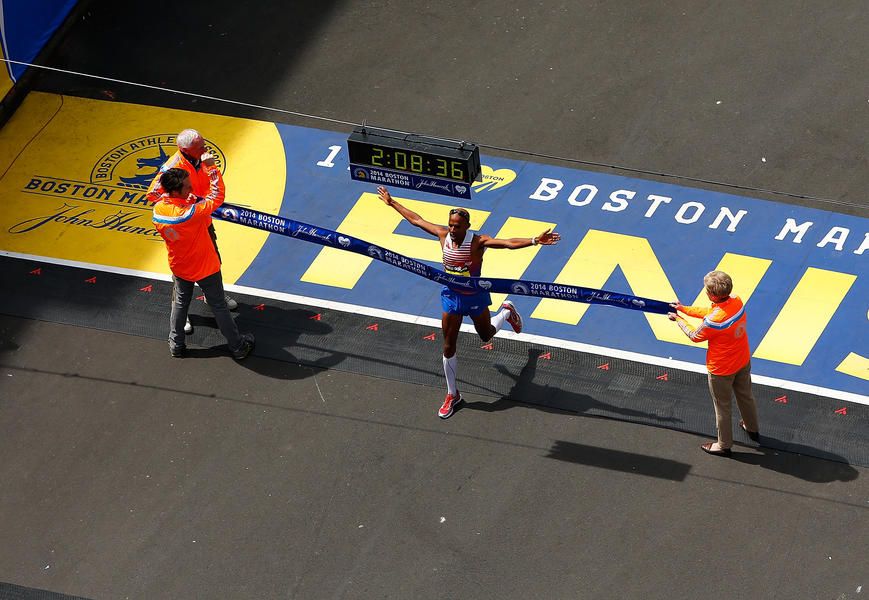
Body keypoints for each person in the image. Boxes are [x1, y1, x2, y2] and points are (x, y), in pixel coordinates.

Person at [377, 186, 561, 419]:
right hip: (452, 297)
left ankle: (506, 311)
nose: (453, 229)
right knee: (448, 345)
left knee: (485, 335)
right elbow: (416, 220)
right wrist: (392, 202)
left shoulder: (478, 242)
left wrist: (535, 240)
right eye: (451, 225)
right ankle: (453, 394)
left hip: (474, 296)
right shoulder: (443, 234)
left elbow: (507, 243)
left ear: (467, 227)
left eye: (457, 226)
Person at [152, 166, 254, 360]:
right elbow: (217, 197)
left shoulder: (158, 210)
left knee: (180, 303)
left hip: (180, 265)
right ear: (175, 191)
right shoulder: (192, 212)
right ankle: (238, 346)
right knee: (218, 306)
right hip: (205, 265)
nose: (191, 190)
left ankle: (176, 344)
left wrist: (186, 199)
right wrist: (212, 169)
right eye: (188, 188)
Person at [147, 129, 238, 334]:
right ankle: (182, 313)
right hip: (185, 223)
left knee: (213, 258)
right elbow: (152, 194)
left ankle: (212, 295)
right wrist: (182, 204)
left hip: (202, 220)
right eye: (200, 147)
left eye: (204, 144)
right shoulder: (173, 167)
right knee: (181, 271)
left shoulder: (201, 159)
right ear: (185, 149)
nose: (205, 149)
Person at [668, 270, 759, 456]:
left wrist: (678, 319)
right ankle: (752, 427)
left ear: (711, 295)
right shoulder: (737, 301)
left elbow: (695, 335)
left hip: (721, 370)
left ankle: (724, 445)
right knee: (746, 395)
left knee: (722, 407)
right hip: (742, 359)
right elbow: (712, 311)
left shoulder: (712, 322)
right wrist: (684, 309)